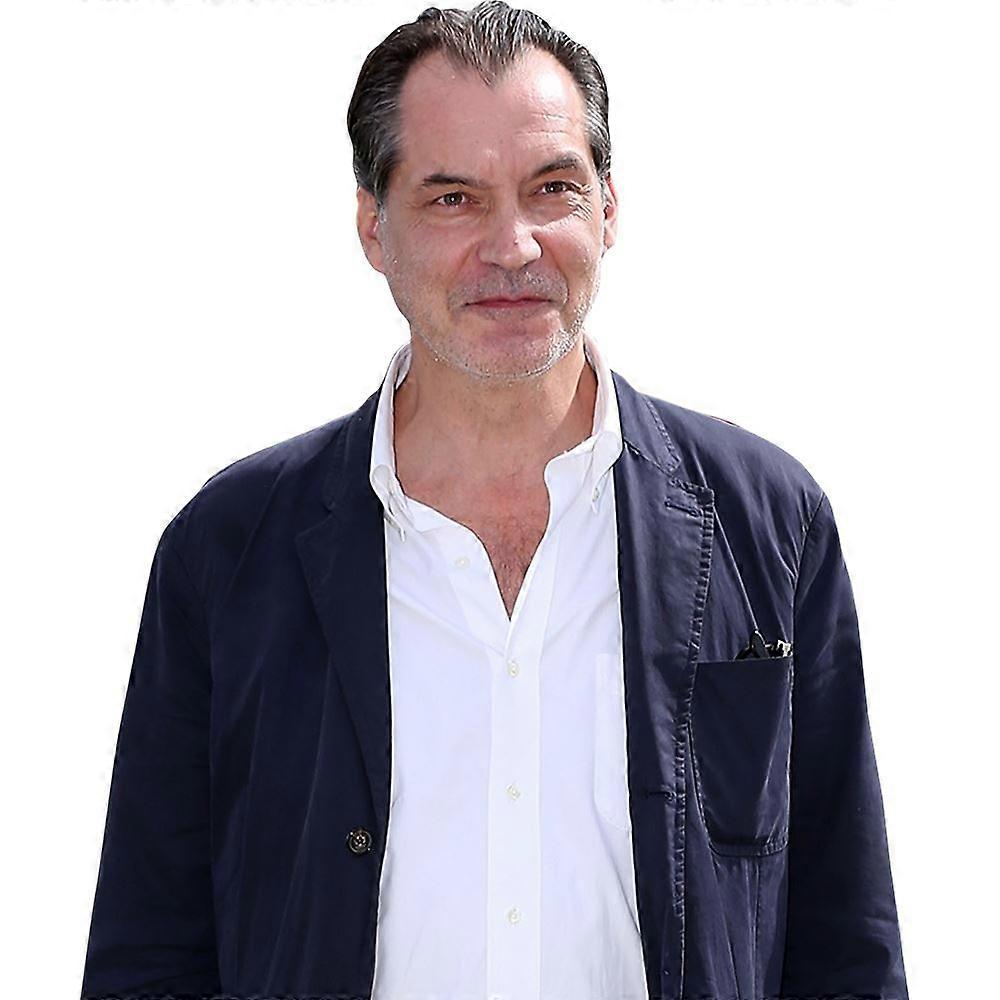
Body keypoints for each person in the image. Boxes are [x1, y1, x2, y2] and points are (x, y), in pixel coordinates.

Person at [80, 4, 909, 999]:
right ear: (373, 228)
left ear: (608, 208)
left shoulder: (767, 522)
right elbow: (149, 952)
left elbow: (845, 941)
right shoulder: (227, 550)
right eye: (453, 198)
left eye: (551, 188)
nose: (512, 245)